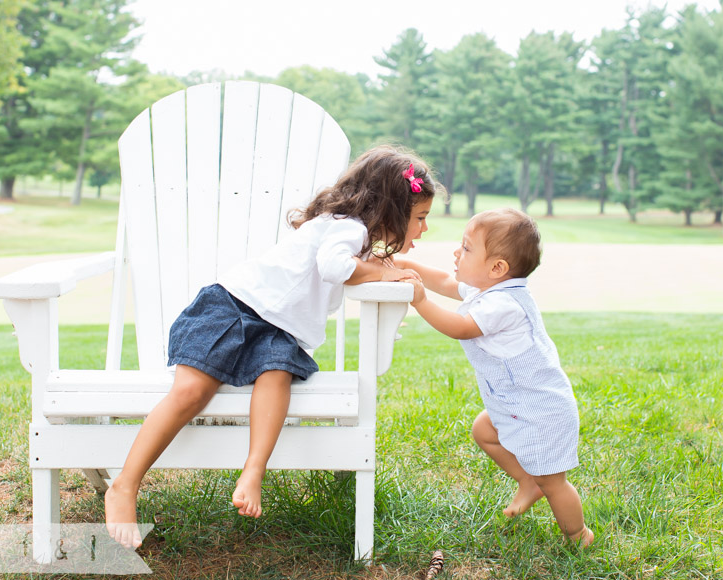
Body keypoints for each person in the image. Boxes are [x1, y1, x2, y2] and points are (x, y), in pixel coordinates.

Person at [105, 145, 438, 548]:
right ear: (391, 208)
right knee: (191, 391)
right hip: (231, 308)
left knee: (277, 375)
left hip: (277, 332)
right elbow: (334, 268)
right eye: (419, 218)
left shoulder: (357, 238)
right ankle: (124, 485)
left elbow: (414, 271)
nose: (422, 229)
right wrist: (388, 275)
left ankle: (253, 469)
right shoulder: (347, 228)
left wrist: (457, 285)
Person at [394, 208, 593, 547]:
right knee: (484, 431)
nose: (457, 252)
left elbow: (461, 328)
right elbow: (443, 280)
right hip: (515, 403)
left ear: (497, 268)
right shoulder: (486, 289)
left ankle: (578, 534)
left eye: (467, 248)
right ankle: (527, 482)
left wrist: (421, 301)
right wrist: (402, 264)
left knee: (554, 481)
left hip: (541, 410)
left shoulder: (504, 304)